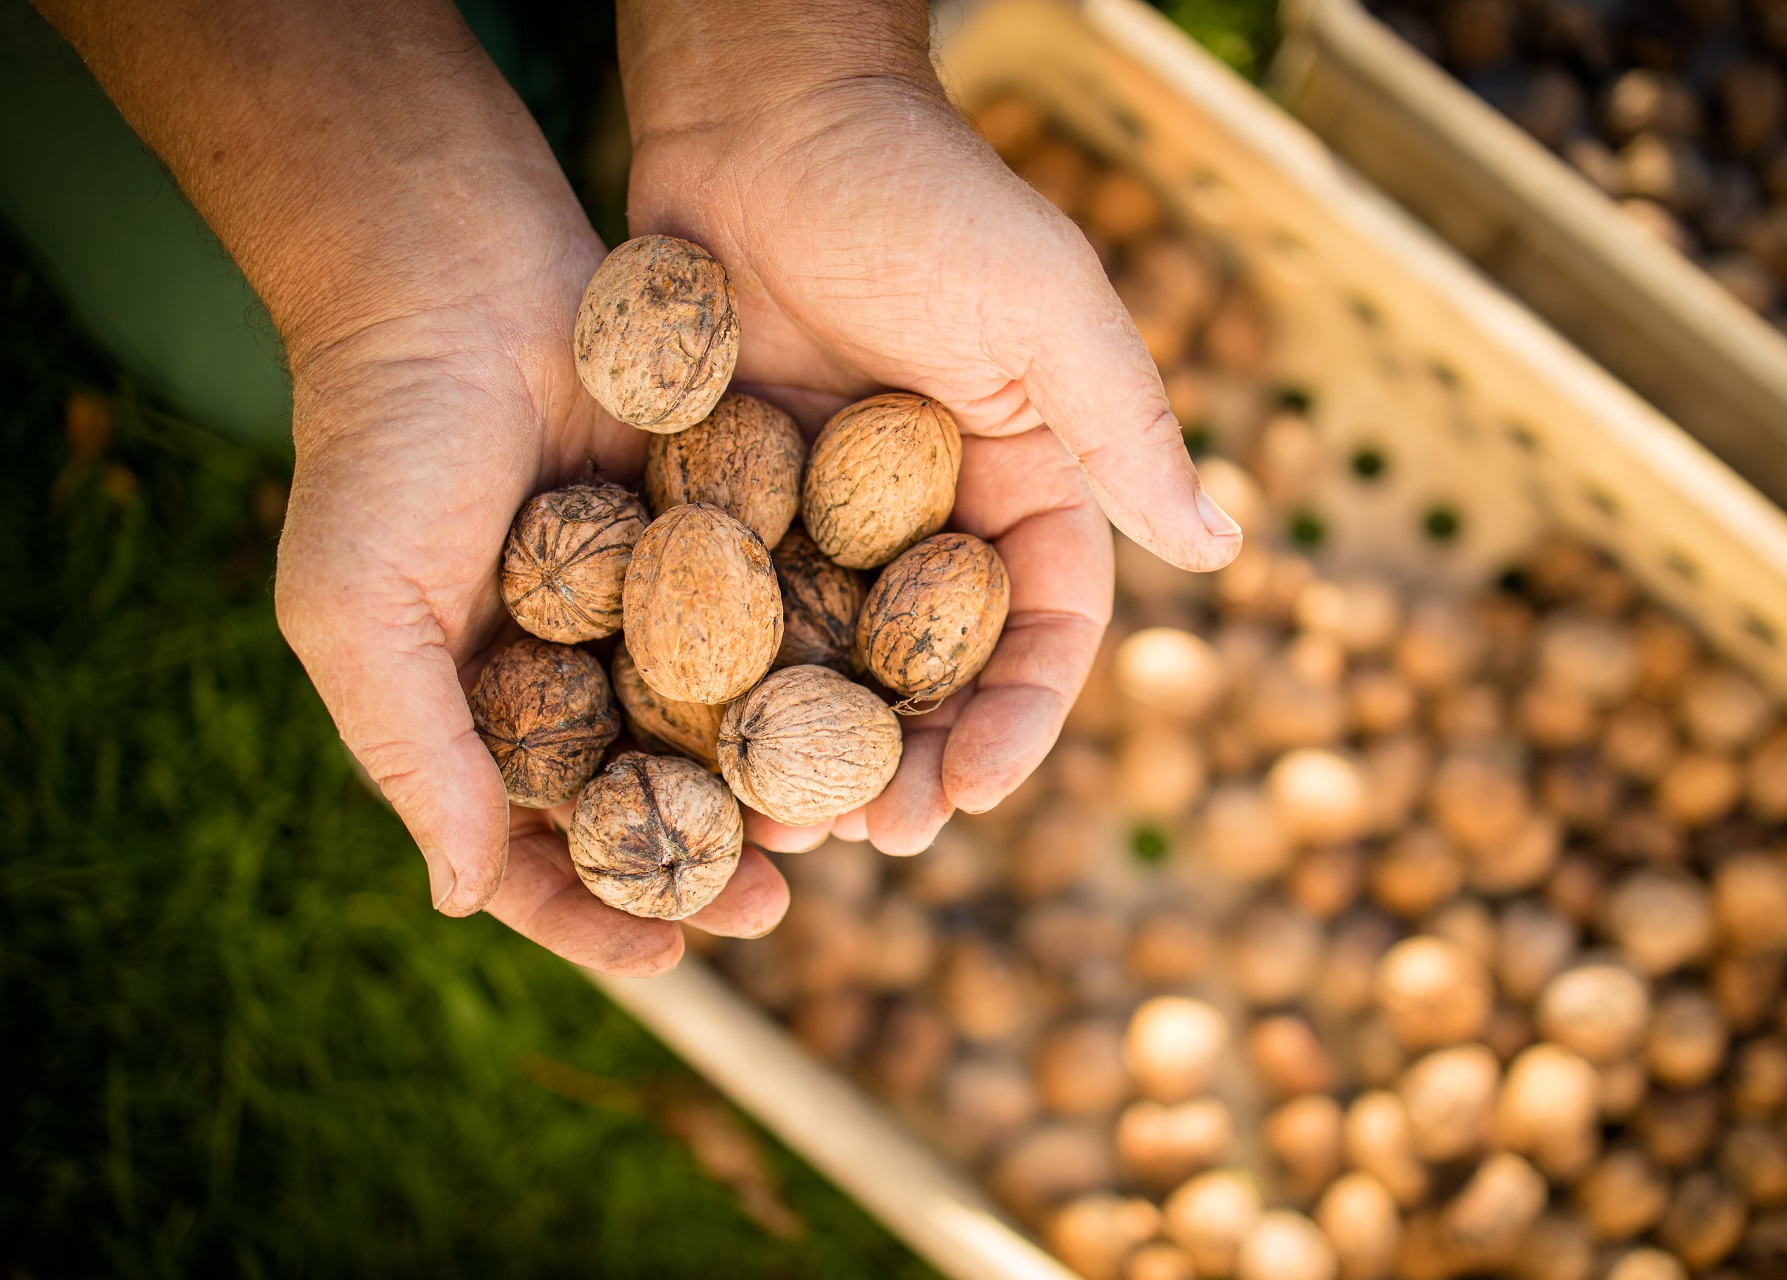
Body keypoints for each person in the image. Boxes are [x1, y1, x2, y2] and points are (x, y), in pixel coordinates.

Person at [32, 0, 1242, 974]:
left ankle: (597, 78)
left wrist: (789, 77)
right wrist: (377, 292)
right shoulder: (697, 574)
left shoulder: (728, 586)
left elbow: (725, 571)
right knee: (207, 311)